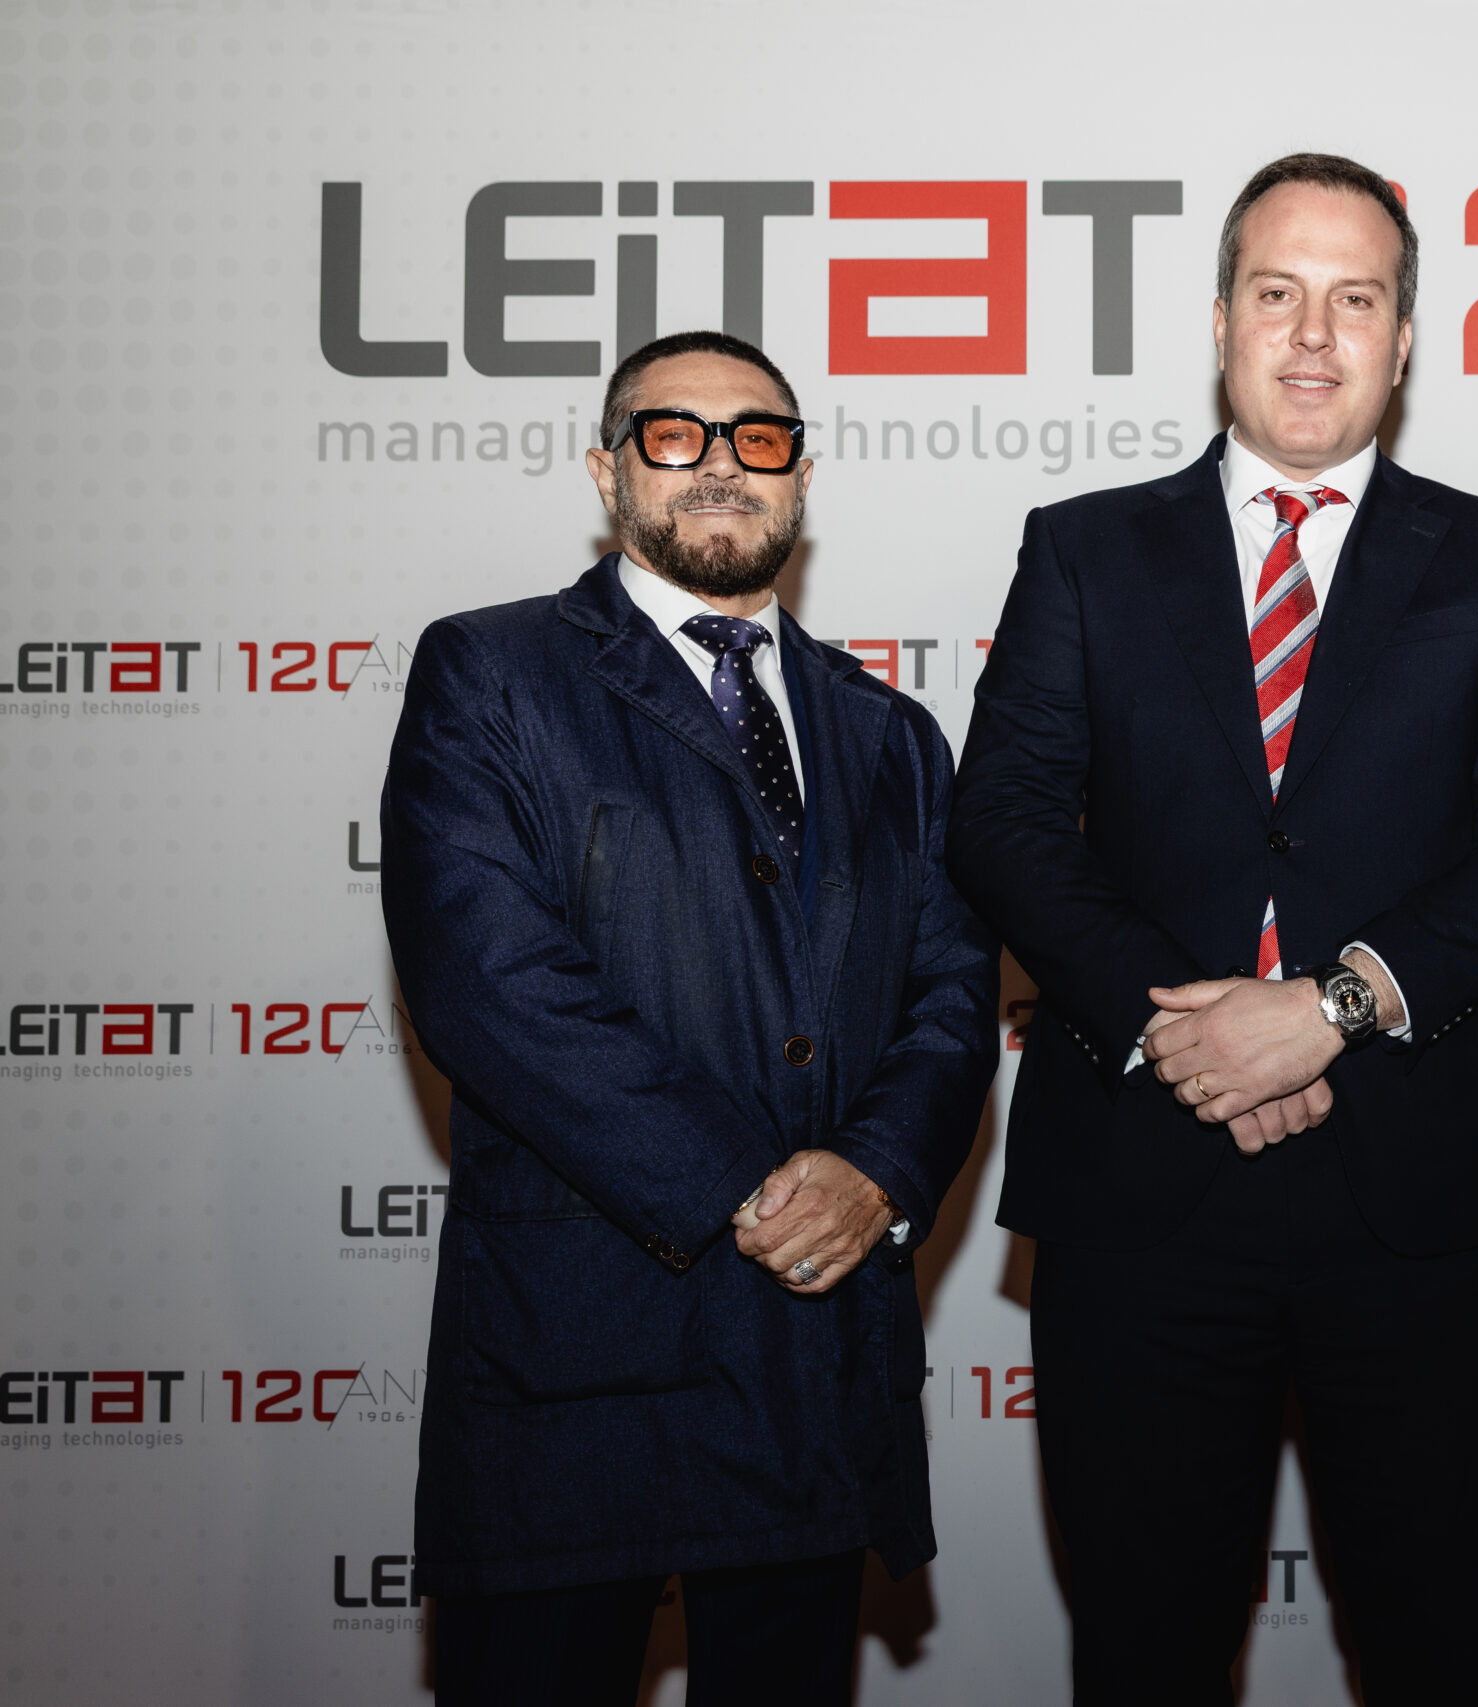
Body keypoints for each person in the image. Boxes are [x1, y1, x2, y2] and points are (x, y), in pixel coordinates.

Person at [948, 153, 1478, 1704]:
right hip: (1144, 1189)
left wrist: (1328, 1007)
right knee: (1144, 1662)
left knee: (1442, 1662)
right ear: (1222, 319)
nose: (1314, 336)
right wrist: (1189, 1031)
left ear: (1404, 338)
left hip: (1420, 1199)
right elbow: (1005, 825)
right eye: (1278, 293)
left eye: (1355, 300)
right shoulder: (1085, 549)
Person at [382, 329, 998, 1706]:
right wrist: (750, 1186)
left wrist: (877, 1171)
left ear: (801, 479)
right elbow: (488, 981)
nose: (721, 462)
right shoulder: (493, 673)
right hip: (579, 1354)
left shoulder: (891, 734)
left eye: (758, 437)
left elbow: (955, 992)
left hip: (813, 1356)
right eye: (675, 433)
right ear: (608, 470)